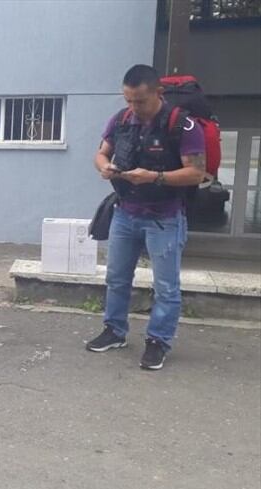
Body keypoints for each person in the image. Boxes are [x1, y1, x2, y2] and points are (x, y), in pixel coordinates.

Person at [86, 64, 206, 370]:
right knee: (116, 278)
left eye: (139, 101)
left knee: (165, 286)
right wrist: (103, 167)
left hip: (164, 218)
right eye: (128, 100)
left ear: (159, 93)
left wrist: (154, 177)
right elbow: (101, 152)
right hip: (125, 212)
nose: (133, 107)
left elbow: (196, 172)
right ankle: (115, 330)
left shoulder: (183, 125)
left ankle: (158, 341)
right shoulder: (121, 120)